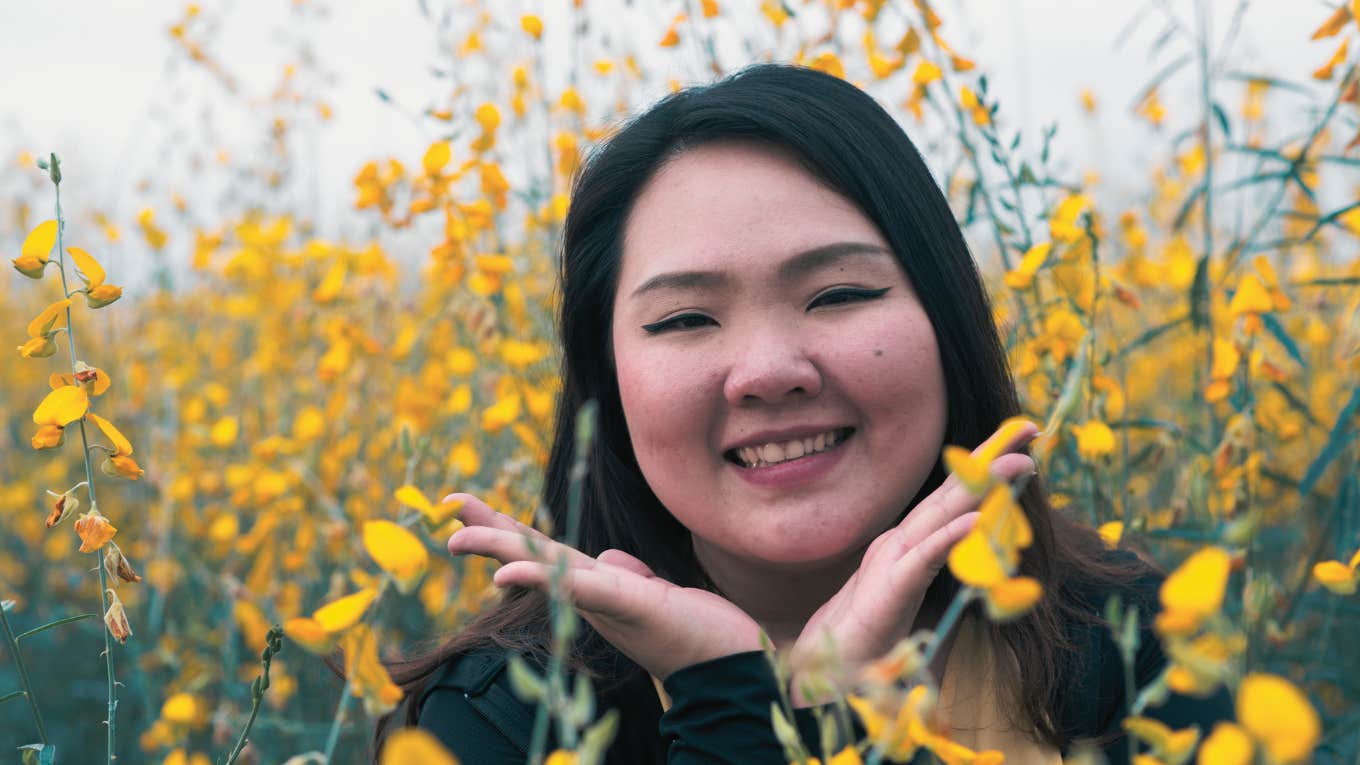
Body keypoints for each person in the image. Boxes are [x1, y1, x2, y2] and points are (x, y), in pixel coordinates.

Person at [374, 63, 1231, 763]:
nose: (770, 372)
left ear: (947, 322)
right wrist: (734, 701)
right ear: (609, 383)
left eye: (840, 293)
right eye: (685, 318)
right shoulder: (500, 721)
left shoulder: (1127, 645)